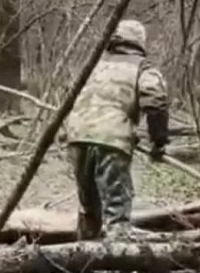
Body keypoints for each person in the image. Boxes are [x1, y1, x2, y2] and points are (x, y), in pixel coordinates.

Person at [65, 19, 170, 242]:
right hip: (112, 140)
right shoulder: (143, 67)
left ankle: (82, 255)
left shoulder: (94, 63)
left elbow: (72, 95)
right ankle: (117, 257)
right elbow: (155, 102)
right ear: (140, 41)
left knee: (88, 209)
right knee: (116, 209)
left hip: (77, 135)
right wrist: (158, 141)